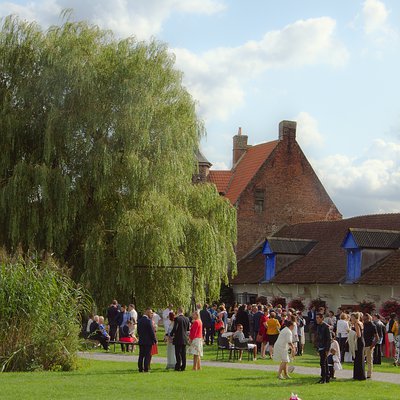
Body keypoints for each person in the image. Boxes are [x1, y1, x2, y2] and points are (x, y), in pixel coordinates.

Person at [137, 308, 157, 373]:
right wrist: (154, 340)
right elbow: (151, 332)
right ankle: (146, 368)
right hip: (148, 341)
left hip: (141, 340)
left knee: (141, 355)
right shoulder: (148, 321)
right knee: (147, 356)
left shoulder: (139, 321)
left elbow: (138, 331)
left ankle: (140, 368)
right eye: (150, 313)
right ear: (147, 312)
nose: (151, 314)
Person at [170, 306, 190, 371]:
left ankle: (178, 366)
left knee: (177, 353)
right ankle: (183, 366)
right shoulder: (187, 319)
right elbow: (187, 329)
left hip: (178, 338)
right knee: (183, 353)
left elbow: (175, 328)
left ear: (178, 311)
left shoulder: (177, 319)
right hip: (184, 338)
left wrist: (171, 334)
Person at [316, 312, 331, 384]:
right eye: (316, 318)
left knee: (323, 363)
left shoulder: (326, 327)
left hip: (324, 347)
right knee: (324, 362)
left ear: (322, 318)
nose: (317, 319)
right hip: (320, 346)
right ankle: (326, 377)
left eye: (318, 318)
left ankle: (324, 378)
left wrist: (327, 349)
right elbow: (318, 337)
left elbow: (328, 339)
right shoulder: (319, 326)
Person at [363, 313, 379, 378]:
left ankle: (369, 374)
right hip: (363, 344)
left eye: (366, 319)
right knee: (361, 360)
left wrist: (372, 346)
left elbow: (377, 337)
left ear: (369, 318)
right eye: (364, 319)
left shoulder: (373, 326)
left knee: (369, 361)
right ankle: (362, 372)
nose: (365, 320)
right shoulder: (363, 325)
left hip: (369, 345)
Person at [351, 312, 366, 380]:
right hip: (362, 341)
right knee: (360, 358)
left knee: (358, 358)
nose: (351, 318)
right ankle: (360, 374)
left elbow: (358, 335)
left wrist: (350, 332)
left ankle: (358, 375)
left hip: (358, 341)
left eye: (352, 317)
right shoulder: (361, 323)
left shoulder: (356, 324)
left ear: (355, 317)